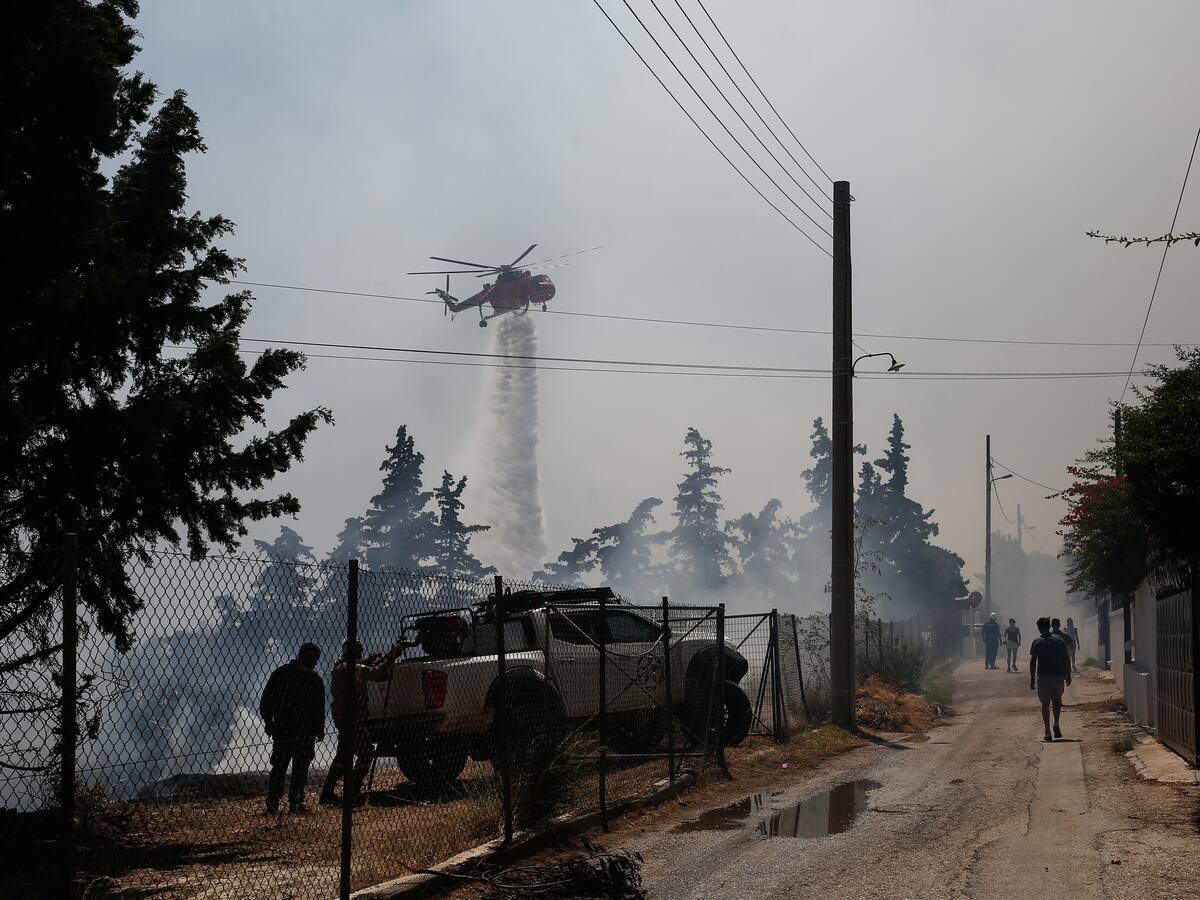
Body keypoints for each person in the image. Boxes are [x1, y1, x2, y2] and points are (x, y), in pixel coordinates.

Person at [320, 638, 409, 806]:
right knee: (366, 753)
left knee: (343, 756)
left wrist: (375, 659)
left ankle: (328, 792)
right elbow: (376, 673)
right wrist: (392, 656)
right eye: (359, 652)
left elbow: (365, 667)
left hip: (344, 717)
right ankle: (352, 790)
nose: (361, 654)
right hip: (354, 718)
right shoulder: (353, 668)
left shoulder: (340, 666)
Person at [260, 642, 325, 814]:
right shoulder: (314, 679)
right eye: (315, 658)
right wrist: (319, 728)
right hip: (304, 732)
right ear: (307, 655)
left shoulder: (280, 673)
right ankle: (295, 803)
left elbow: (266, 700)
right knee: (300, 768)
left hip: (282, 729)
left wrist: (268, 721)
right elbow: (318, 708)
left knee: (279, 767)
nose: (316, 662)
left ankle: (272, 803)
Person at [1029, 617, 1072, 741]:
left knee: (1045, 704)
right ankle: (1056, 724)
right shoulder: (1059, 640)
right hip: (1058, 675)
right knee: (1057, 701)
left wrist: (1032, 679)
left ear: (1039, 628)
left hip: (1043, 677)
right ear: (1049, 626)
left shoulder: (1037, 642)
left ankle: (1047, 731)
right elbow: (1066, 658)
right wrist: (1068, 674)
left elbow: (1033, 661)